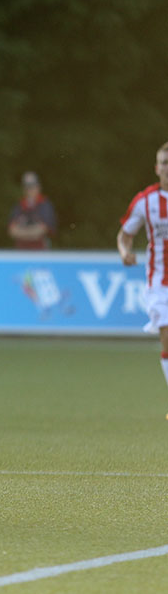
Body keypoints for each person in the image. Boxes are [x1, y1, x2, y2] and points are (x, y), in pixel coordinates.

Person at [117, 141, 168, 419]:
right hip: (160, 284)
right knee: (167, 338)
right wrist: (125, 251)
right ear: (156, 168)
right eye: (164, 163)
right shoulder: (145, 201)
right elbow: (124, 235)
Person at [7, 170, 57, 249]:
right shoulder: (19, 206)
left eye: (32, 185)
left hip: (40, 251)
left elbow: (44, 229)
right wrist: (33, 233)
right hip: (21, 251)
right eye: (26, 185)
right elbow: (12, 231)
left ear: (38, 186)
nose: (29, 189)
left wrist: (22, 232)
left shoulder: (45, 205)